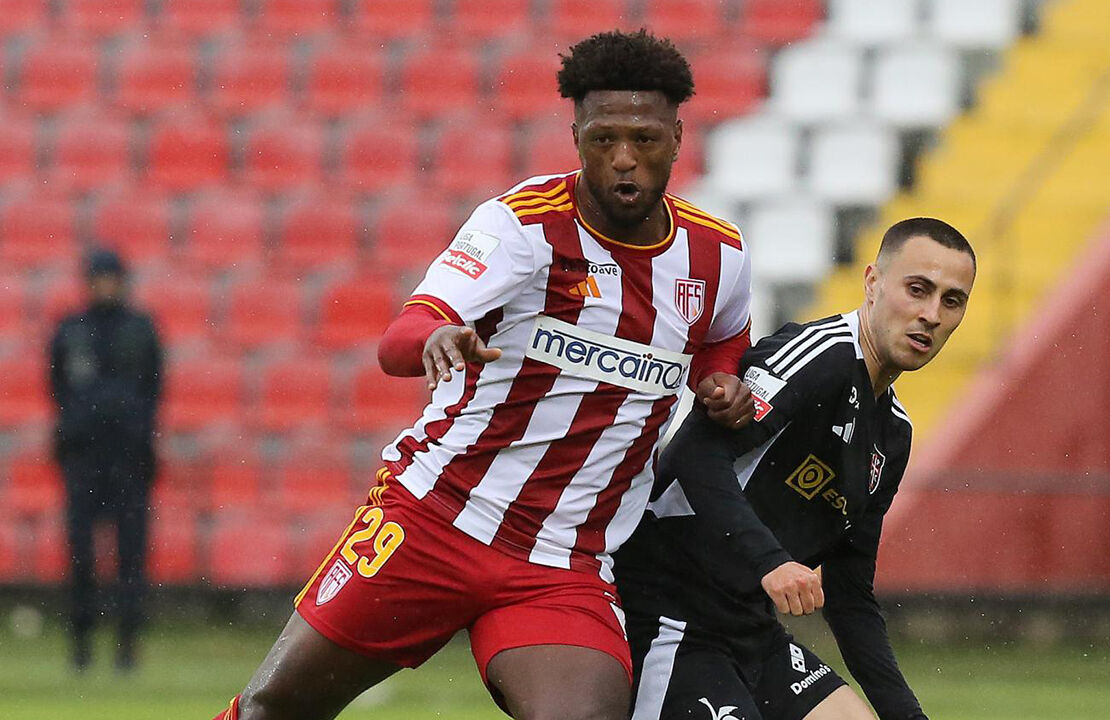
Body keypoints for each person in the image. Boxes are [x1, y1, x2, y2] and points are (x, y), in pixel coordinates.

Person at [214, 29, 755, 720]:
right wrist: (436, 336)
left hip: (561, 560)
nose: (624, 158)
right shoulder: (520, 226)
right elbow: (400, 340)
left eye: (644, 139)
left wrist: (719, 381)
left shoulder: (718, 253)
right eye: (603, 139)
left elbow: (723, 339)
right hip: (436, 519)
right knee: (273, 709)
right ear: (576, 137)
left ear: (677, 138)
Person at [615, 218, 977, 720]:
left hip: (752, 631)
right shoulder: (822, 356)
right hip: (671, 614)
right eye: (918, 290)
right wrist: (772, 562)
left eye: (951, 301)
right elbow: (694, 454)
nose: (931, 315)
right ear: (873, 283)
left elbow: (850, 596)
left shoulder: (892, 434)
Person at [48, 248, 164, 673]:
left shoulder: (140, 329)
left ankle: (127, 646)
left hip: (128, 458)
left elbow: (154, 389)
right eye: (99, 278)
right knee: (81, 555)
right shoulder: (71, 329)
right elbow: (58, 387)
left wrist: (137, 434)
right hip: (84, 458)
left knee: (131, 556)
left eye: (111, 278)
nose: (105, 286)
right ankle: (81, 644)